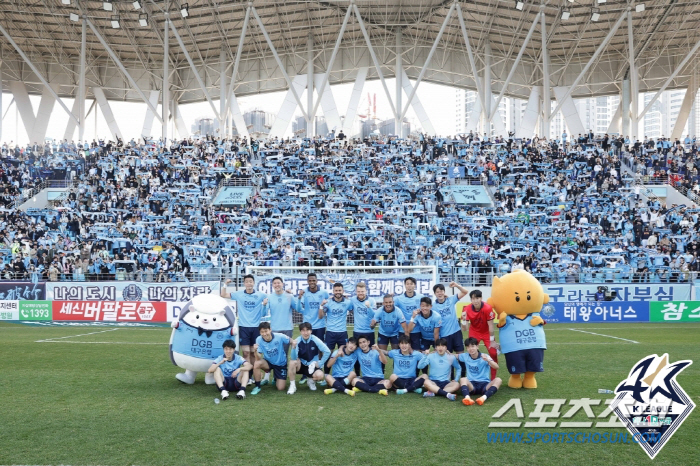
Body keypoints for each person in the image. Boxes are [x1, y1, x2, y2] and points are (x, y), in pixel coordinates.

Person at [221, 275, 268, 384]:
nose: (249, 283)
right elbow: (223, 295)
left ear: (253, 283)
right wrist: (225, 284)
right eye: (247, 282)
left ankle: (254, 374)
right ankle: (248, 376)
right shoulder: (239, 294)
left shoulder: (261, 295)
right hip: (243, 327)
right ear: (244, 283)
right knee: (246, 353)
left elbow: (265, 312)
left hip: (256, 328)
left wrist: (264, 305)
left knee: (254, 353)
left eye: (250, 281)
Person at [460, 289, 499, 379]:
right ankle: (472, 376)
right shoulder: (467, 309)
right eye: (473, 298)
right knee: (472, 353)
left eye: (477, 298)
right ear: (471, 300)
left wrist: (492, 340)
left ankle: (493, 378)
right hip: (474, 331)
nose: (475, 300)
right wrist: (463, 320)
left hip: (486, 332)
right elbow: (464, 329)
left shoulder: (487, 308)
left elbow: (491, 326)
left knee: (493, 353)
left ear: (481, 298)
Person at [251, 322, 296, 395]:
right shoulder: (259, 339)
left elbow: (290, 340)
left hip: (280, 364)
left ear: (270, 330)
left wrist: (293, 343)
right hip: (268, 362)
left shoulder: (279, 336)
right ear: (260, 332)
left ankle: (276, 377)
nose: (264, 334)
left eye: (266, 331)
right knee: (257, 363)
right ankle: (257, 386)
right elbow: (258, 358)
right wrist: (255, 351)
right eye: (262, 332)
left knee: (280, 388)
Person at [287, 322, 331, 394]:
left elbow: (327, 351)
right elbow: (293, 357)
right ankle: (292, 386)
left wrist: (320, 363)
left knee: (320, 376)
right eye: (303, 330)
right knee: (292, 362)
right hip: (301, 365)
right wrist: (294, 347)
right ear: (300, 331)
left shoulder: (315, 339)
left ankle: (311, 381)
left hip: (312, 365)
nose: (305, 333)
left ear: (311, 331)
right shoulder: (297, 340)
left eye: (307, 330)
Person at [457, 337, 502, 405]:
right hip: (472, 385)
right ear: (466, 349)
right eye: (468, 347)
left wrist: (488, 360)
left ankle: (483, 398)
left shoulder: (485, 356)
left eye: (473, 346)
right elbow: (454, 356)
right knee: (463, 379)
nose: (471, 349)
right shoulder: (465, 356)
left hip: (484, 384)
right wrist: (445, 353)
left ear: (477, 346)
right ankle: (467, 398)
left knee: (498, 380)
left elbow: (496, 367)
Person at [265, 276, 301, 353]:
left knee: (285, 352)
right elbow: (264, 313)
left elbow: (298, 308)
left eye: (278, 283)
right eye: (274, 283)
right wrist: (264, 305)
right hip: (275, 329)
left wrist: (295, 297)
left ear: (283, 284)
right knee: (275, 352)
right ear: (272, 285)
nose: (277, 285)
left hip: (287, 328)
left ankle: (284, 365)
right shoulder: (270, 297)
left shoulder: (289, 296)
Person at [319, 283, 354, 355]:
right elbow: (320, 316)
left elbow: (352, 311)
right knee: (328, 353)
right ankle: (327, 366)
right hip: (330, 332)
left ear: (343, 291)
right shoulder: (328, 302)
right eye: (336, 290)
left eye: (339, 290)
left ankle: (340, 366)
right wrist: (321, 306)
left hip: (342, 332)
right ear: (333, 291)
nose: (338, 292)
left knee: (344, 353)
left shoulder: (348, 302)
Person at [350, 282, 377, 375]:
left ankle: (372, 373)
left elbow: (375, 315)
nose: (360, 293)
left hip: (369, 331)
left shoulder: (372, 300)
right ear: (356, 291)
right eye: (358, 291)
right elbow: (348, 307)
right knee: (356, 353)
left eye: (362, 291)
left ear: (366, 291)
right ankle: (357, 374)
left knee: (371, 354)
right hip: (357, 331)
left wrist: (369, 307)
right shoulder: (353, 299)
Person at [394, 277, 425, 350]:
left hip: (416, 329)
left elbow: (427, 308)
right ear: (405, 285)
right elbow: (390, 308)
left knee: (416, 352)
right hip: (403, 330)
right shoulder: (399, 299)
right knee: (403, 352)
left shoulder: (421, 297)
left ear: (415, 285)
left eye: (411, 284)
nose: (409, 286)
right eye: (407, 284)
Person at [297, 273, 329, 341]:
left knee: (320, 348)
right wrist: (299, 298)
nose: (312, 282)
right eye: (310, 280)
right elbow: (298, 309)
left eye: (313, 280)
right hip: (307, 325)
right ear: (307, 281)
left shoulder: (323, 292)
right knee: (307, 348)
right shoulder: (304, 292)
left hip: (320, 325)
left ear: (317, 281)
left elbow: (328, 302)